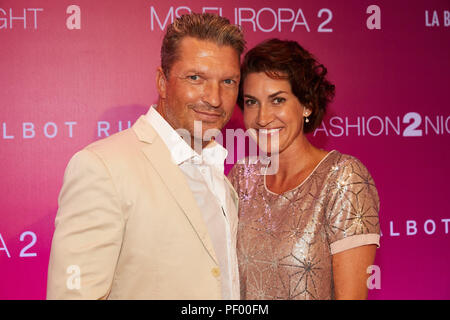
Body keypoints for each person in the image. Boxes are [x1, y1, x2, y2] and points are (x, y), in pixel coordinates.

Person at [47, 13, 245, 299]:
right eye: (195, 77)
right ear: (162, 82)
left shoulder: (220, 172)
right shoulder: (103, 167)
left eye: (228, 81)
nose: (214, 98)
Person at [228, 38, 380, 300]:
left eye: (277, 100)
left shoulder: (343, 179)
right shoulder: (242, 177)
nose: (263, 118)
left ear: (307, 104)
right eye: (252, 102)